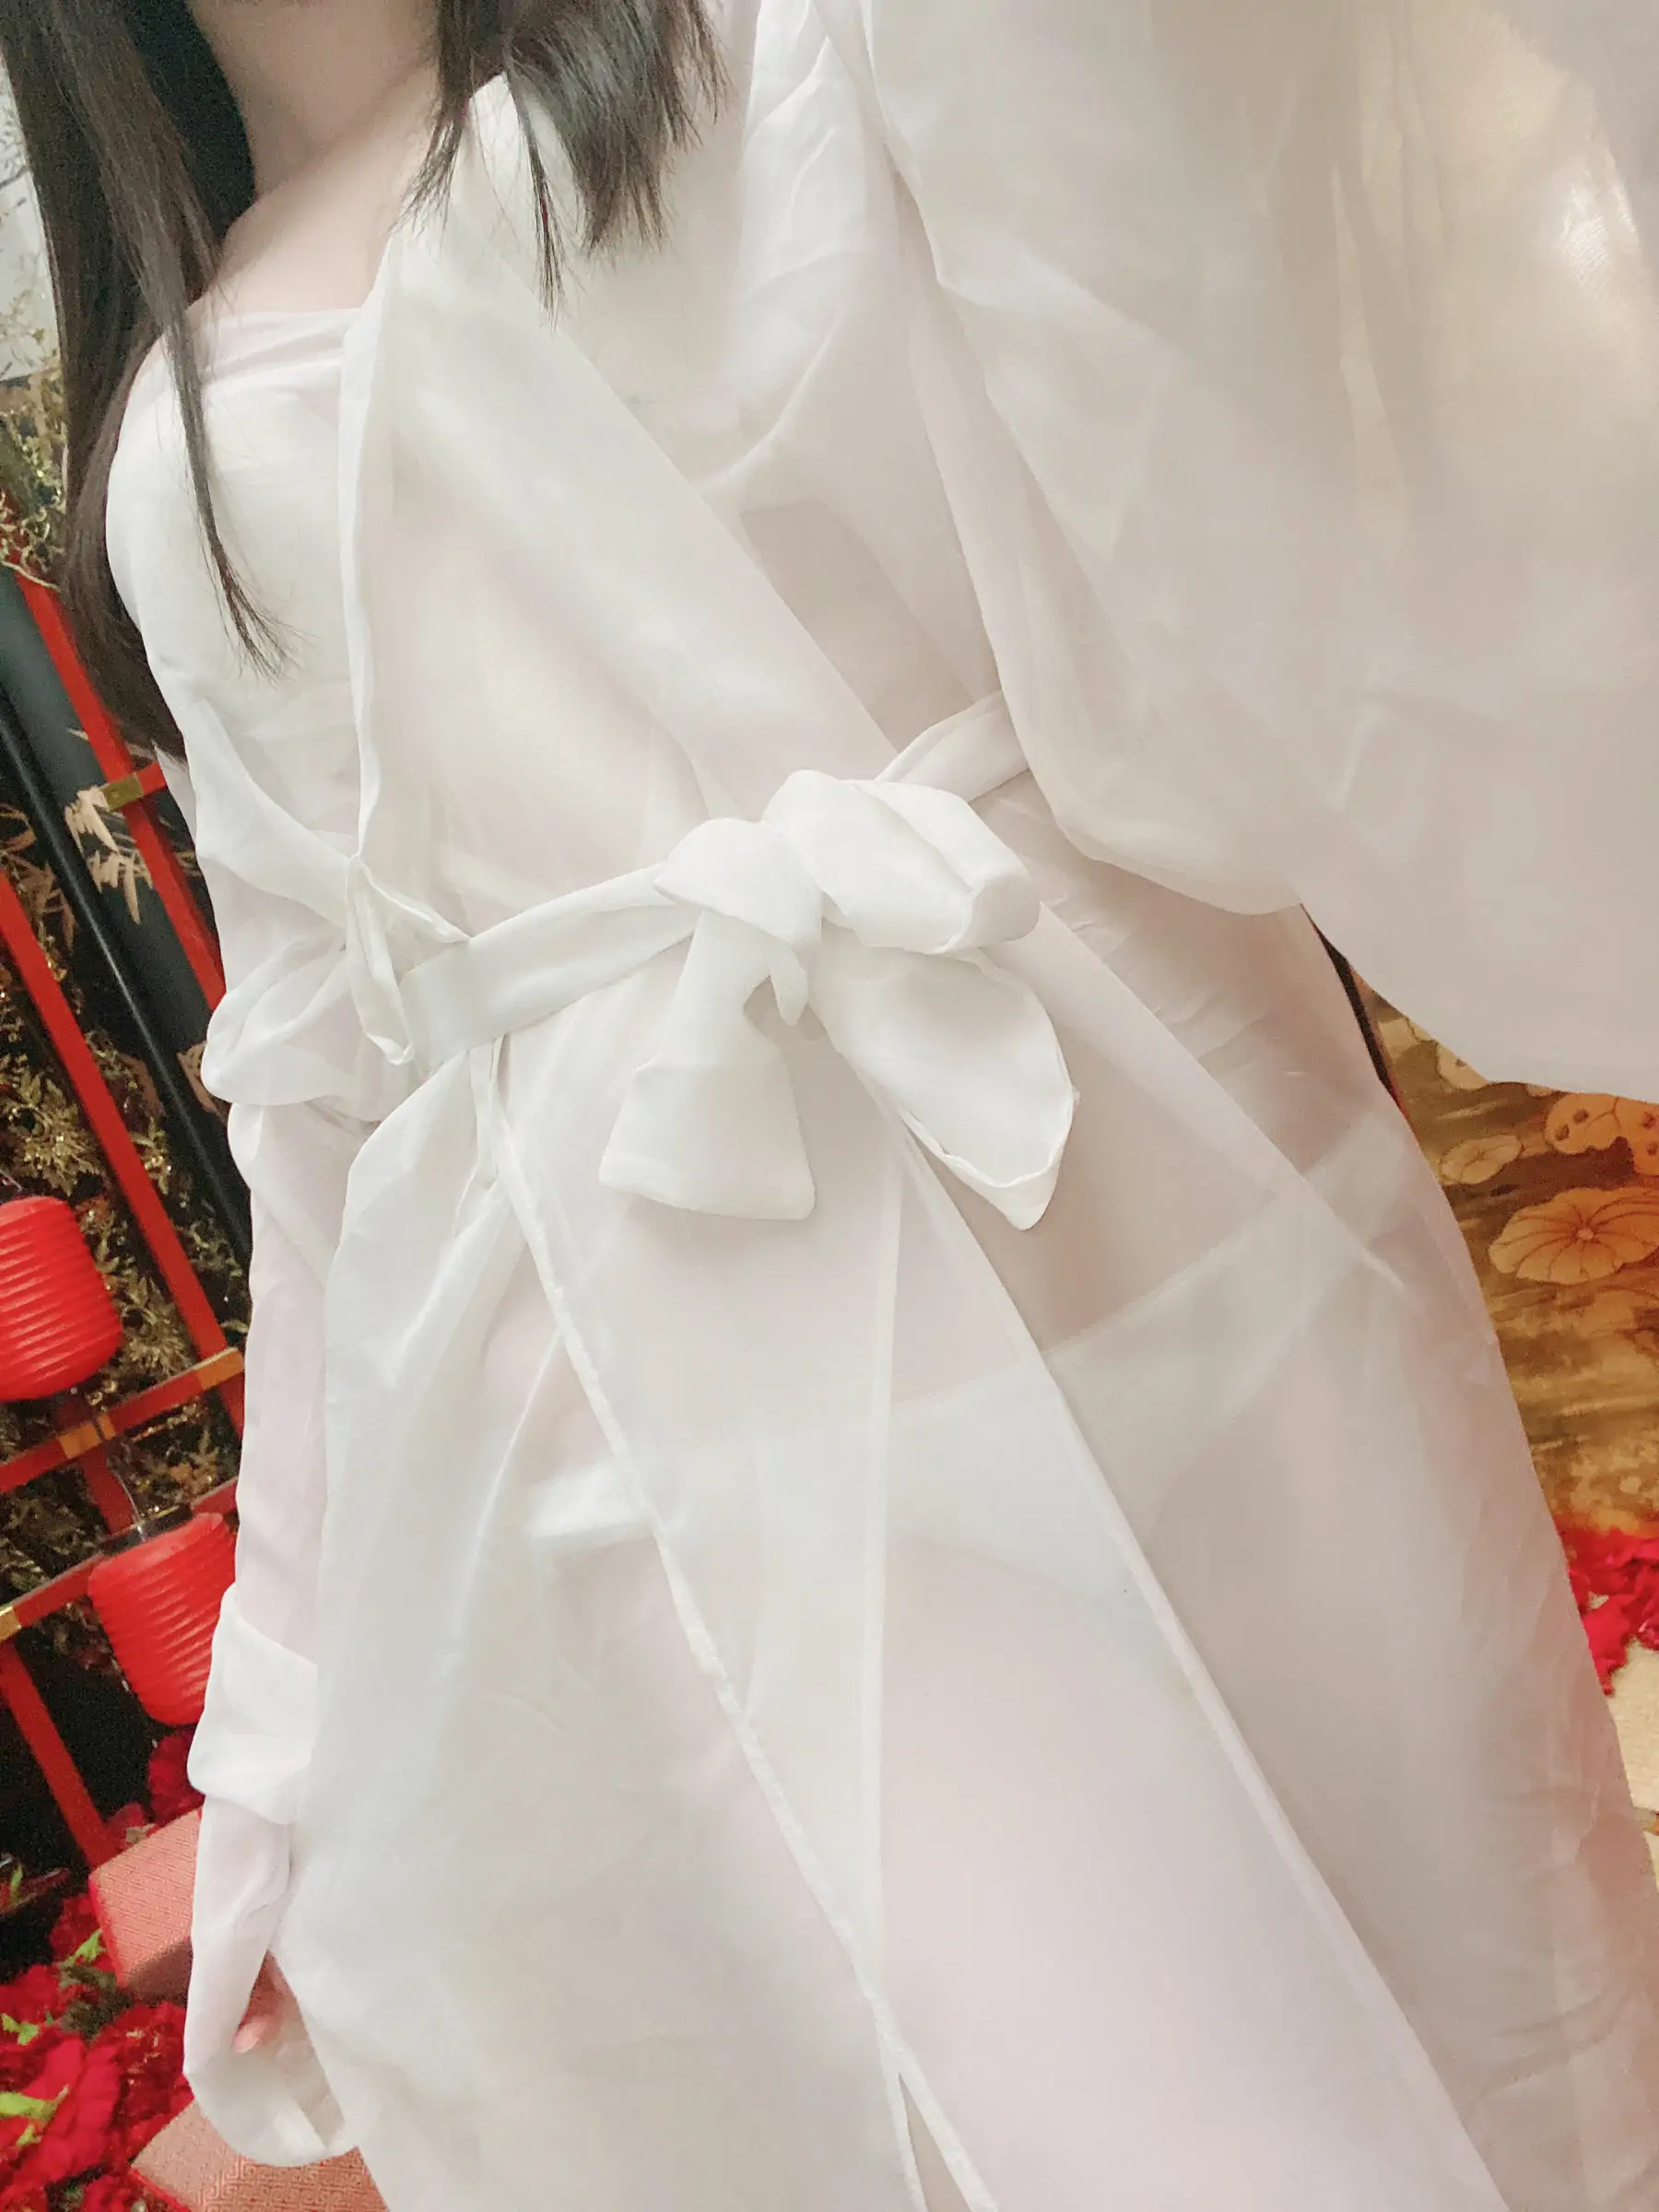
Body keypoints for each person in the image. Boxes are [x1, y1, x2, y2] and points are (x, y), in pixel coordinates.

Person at [5, 0, 1659, 2204]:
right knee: (1064, 2095)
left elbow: (1145, 501)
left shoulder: (782, 49)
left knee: (1461, 1953)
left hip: (1118, 1202)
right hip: (642, 1398)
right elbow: (318, 1109)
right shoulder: (173, 435)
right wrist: (286, 1734)